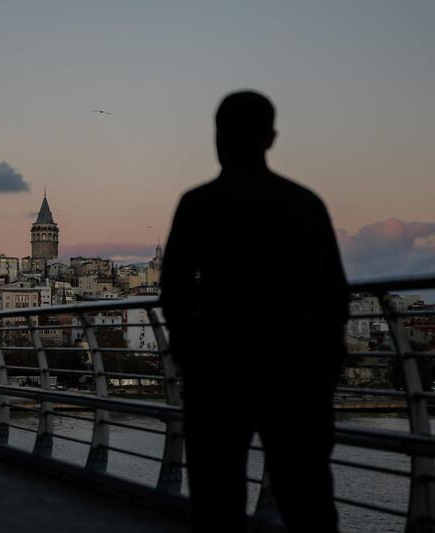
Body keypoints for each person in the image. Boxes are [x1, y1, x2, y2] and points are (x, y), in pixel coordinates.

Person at [160, 91, 348, 532]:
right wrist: (326, 368)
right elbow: (333, 295)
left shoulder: (198, 204)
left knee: (216, 502)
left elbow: (175, 291)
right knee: (308, 499)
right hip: (296, 373)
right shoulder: (304, 204)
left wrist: (190, 355)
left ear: (217, 137)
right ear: (271, 138)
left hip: (218, 373)